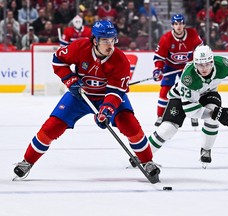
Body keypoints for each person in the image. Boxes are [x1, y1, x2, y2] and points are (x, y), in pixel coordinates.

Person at [13, 20, 160, 182]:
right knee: (52, 127)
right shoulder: (79, 47)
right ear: (95, 40)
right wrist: (69, 80)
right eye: (105, 40)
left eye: (112, 40)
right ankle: (27, 161)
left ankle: (147, 162)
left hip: (107, 97)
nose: (110, 45)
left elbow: (116, 92)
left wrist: (106, 111)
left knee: (130, 124)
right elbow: (57, 60)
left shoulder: (120, 61)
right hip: (80, 96)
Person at [148, 45, 228, 168]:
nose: (204, 68)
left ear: (212, 62)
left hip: (208, 93)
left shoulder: (223, 64)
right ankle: (142, 156)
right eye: (200, 65)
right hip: (180, 97)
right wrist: (217, 113)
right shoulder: (189, 78)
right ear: (194, 64)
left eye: (207, 64)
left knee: (213, 118)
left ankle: (206, 150)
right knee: (168, 129)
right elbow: (191, 112)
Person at [152, 14, 203, 126]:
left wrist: (199, 62)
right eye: (176, 24)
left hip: (187, 66)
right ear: (172, 25)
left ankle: (194, 115)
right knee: (165, 90)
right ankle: (160, 116)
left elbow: (201, 49)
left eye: (180, 23)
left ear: (184, 24)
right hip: (170, 66)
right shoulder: (166, 38)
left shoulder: (192, 34)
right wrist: (158, 69)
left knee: (192, 89)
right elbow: (159, 56)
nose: (178, 26)